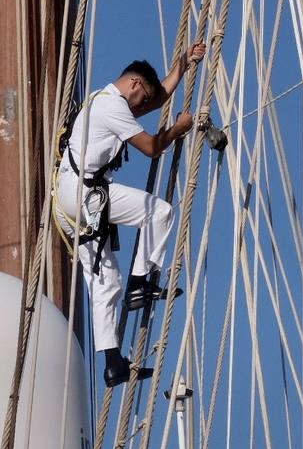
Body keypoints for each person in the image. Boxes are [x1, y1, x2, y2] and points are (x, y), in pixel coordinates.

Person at [53, 42, 207, 387]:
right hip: (85, 193)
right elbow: (152, 148)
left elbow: (157, 98)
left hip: (68, 201)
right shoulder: (112, 106)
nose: (142, 108)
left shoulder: (101, 100)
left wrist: (182, 65)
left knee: (106, 282)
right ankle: (142, 282)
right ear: (134, 85)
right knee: (159, 212)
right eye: (141, 99)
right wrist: (179, 128)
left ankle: (112, 363)